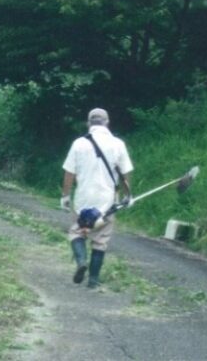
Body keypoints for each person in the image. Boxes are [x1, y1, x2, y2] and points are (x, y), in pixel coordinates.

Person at [60, 108, 134, 288]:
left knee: (77, 232)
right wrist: (127, 195)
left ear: (89, 124)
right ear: (107, 123)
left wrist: (65, 195)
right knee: (101, 239)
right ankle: (93, 280)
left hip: (83, 198)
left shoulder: (78, 143)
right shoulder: (118, 144)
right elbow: (125, 173)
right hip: (107, 200)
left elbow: (69, 173)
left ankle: (81, 262)